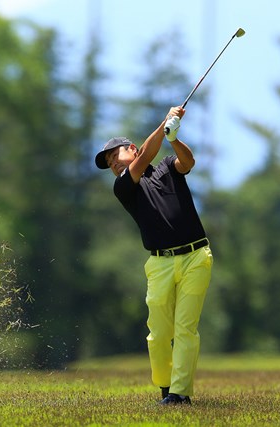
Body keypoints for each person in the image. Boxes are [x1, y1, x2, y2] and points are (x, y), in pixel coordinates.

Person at [94, 106, 213, 405]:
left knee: (186, 328)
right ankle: (164, 385)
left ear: (130, 149)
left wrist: (173, 137)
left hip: (196, 256)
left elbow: (188, 162)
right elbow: (147, 154)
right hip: (159, 263)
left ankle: (179, 393)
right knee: (159, 334)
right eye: (108, 163)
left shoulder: (167, 167)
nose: (113, 165)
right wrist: (165, 124)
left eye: (114, 156)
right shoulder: (123, 186)